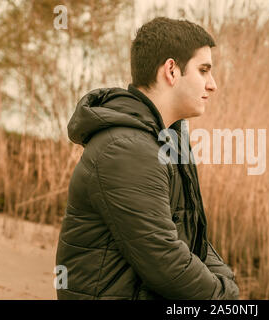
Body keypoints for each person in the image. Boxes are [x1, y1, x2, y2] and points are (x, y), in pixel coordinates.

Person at [55, 17, 239, 300]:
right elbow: (164, 259)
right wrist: (222, 297)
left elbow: (188, 234)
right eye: (203, 70)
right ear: (171, 71)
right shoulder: (125, 148)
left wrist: (226, 282)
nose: (212, 84)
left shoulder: (166, 141)